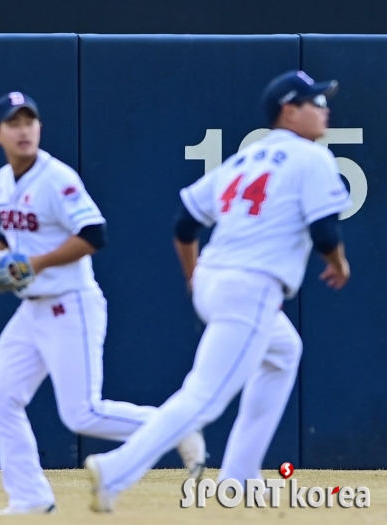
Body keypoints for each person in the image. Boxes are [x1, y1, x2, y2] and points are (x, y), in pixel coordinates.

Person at [85, 70, 352, 512]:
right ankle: (115, 469)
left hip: (215, 278)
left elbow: (185, 222)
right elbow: (324, 231)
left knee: (284, 352)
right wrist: (339, 264)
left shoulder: (243, 160)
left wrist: (193, 276)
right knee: (203, 396)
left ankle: (240, 477)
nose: (324, 108)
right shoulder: (311, 158)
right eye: (314, 102)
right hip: (252, 285)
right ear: (289, 110)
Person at [0, 92, 206, 515]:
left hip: (71, 303)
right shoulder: (3, 180)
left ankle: (174, 426)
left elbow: (94, 235)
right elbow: (11, 234)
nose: (24, 129)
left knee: (83, 414)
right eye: (13, 123)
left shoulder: (57, 178)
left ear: (39, 127)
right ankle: (30, 496)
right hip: (31, 309)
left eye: (29, 121)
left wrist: (35, 262)